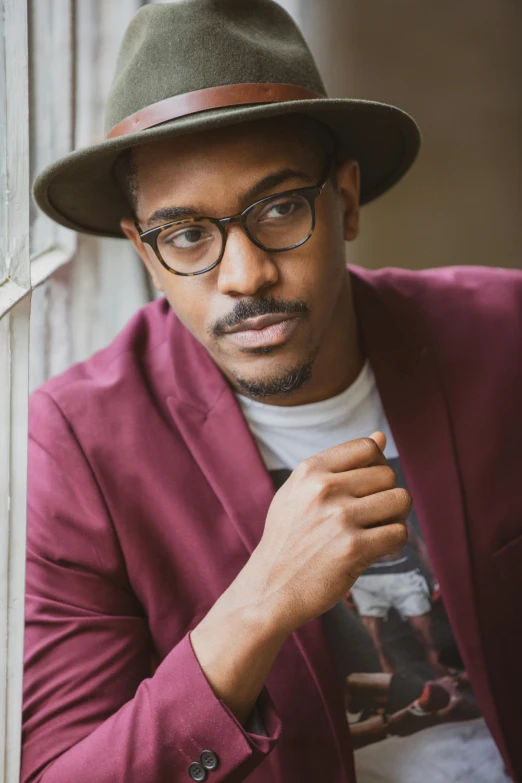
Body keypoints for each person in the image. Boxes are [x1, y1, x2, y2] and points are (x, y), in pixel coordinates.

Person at [24, 2, 521, 782]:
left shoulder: (503, 337)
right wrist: (262, 599)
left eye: (281, 207)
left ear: (347, 201)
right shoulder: (81, 441)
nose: (245, 274)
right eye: (187, 234)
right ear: (145, 256)